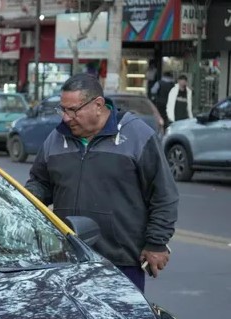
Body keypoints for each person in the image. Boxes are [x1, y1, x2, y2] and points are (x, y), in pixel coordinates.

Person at [25, 73, 178, 292]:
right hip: (67, 259)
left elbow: (163, 195)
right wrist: (23, 202)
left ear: (98, 104)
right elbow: (41, 183)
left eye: (73, 110)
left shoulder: (138, 135)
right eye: (62, 110)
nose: (66, 118)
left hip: (120, 263)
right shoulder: (56, 139)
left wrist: (156, 243)